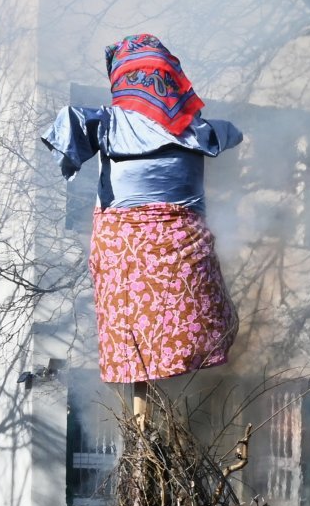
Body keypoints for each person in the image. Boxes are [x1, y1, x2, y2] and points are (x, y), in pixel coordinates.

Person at [41, 33, 242, 385]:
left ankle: (147, 393)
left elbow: (69, 132)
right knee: (167, 333)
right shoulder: (197, 130)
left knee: (135, 337)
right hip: (165, 252)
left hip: (131, 251)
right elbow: (230, 134)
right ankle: (149, 393)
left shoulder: (108, 122)